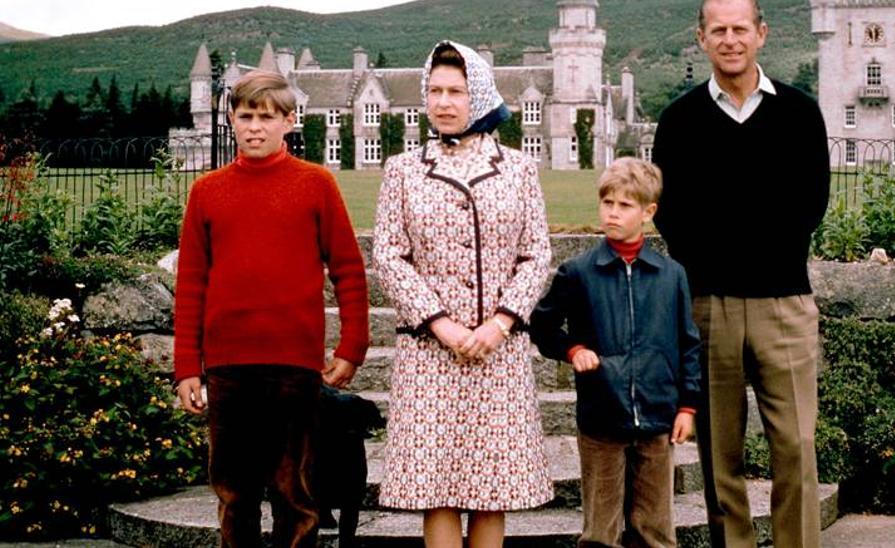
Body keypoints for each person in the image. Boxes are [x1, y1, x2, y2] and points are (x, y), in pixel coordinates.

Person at [650, 0, 831, 546]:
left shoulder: (799, 112)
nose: (730, 39)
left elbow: (811, 204)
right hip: (709, 305)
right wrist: (713, 261)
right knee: (719, 456)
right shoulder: (679, 120)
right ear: (701, 38)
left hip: (784, 303)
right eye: (718, 30)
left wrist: (752, 243)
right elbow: (672, 213)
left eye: (740, 29)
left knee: (796, 447)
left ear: (761, 34)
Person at [173, 70, 370, 547]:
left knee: (294, 493)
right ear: (231, 122)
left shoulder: (316, 184)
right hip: (227, 367)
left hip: (294, 366)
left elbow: (348, 269)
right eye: (245, 117)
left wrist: (352, 346)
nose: (255, 127)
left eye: (266, 117)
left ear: (289, 121)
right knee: (234, 493)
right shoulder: (207, 191)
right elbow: (191, 285)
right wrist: (186, 368)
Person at [372, 40, 554, 548]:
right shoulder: (402, 171)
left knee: (491, 486)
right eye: (435, 91)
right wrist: (441, 324)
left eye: (456, 90)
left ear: (478, 94)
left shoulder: (519, 169)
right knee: (438, 486)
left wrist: (498, 324)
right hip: (430, 353)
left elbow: (536, 254)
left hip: (498, 351)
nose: (444, 102)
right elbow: (389, 254)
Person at [529, 158, 702, 548]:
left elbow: (688, 344)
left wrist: (688, 407)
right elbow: (541, 326)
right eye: (607, 202)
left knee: (654, 531)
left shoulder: (671, 274)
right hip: (601, 420)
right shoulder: (578, 272)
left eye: (625, 205)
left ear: (648, 212)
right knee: (600, 534)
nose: (613, 212)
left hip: (658, 419)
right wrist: (572, 349)